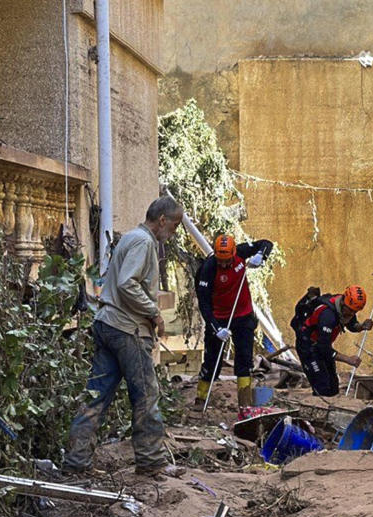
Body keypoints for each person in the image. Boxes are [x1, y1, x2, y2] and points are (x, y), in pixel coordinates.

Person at [63, 197, 182, 476]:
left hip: (107, 323)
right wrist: (154, 313)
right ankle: (151, 461)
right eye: (175, 225)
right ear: (162, 220)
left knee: (97, 396)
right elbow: (127, 283)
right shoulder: (143, 242)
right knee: (145, 395)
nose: (174, 232)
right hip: (127, 329)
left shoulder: (131, 237)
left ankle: (77, 462)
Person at [194, 234, 273, 412]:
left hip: (243, 315)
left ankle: (245, 404)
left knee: (244, 359)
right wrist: (216, 327)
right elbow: (204, 305)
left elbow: (266, 242)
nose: (223, 264)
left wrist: (261, 255)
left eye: (227, 260)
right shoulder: (208, 269)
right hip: (218, 317)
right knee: (212, 360)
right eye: (220, 260)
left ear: (233, 253)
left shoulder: (241, 252)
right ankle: (201, 398)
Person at [295, 285, 373, 397]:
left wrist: (361, 326)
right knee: (322, 387)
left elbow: (351, 325)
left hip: (322, 346)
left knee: (333, 387)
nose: (351, 314)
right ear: (343, 303)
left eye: (355, 311)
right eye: (350, 310)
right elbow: (324, 348)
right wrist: (348, 359)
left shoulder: (345, 305)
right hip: (309, 347)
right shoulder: (328, 316)